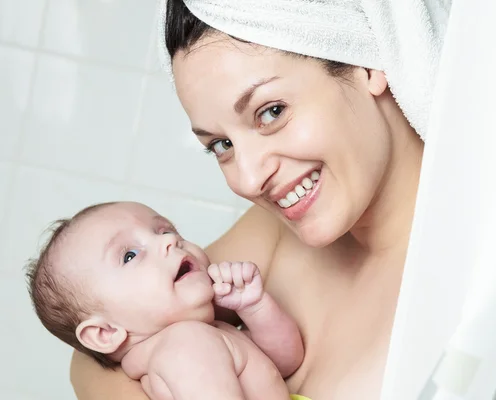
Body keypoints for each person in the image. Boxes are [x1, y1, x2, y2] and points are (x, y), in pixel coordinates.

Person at [70, 1, 426, 399]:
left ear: (367, 63)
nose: (249, 179)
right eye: (221, 145)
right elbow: (96, 345)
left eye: (271, 112)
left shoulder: (473, 278)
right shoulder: (273, 234)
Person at [27, 201, 304, 400]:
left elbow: (284, 364)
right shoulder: (186, 345)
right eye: (129, 255)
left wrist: (255, 307)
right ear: (106, 332)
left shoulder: (197, 335)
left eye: (163, 230)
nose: (169, 240)